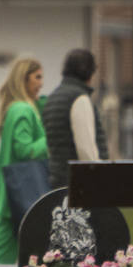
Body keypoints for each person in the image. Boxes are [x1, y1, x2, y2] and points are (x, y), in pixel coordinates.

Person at [0, 58, 47, 264]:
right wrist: (51, 137)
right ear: (23, 79)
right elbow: (25, 150)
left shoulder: (20, 108)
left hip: (14, 189)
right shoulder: (23, 110)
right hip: (19, 190)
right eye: (37, 77)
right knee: (0, 246)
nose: (42, 83)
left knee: (10, 244)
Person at [42, 48, 108, 189]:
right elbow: (86, 151)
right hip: (77, 185)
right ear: (90, 73)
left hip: (57, 178)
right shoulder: (79, 98)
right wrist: (99, 178)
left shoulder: (53, 96)